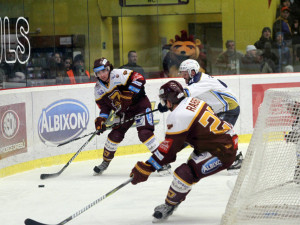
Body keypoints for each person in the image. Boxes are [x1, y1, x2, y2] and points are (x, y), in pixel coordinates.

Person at [129, 80, 238, 222]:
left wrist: (148, 167)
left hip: (222, 152)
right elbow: (179, 143)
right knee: (189, 171)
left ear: (169, 101)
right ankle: (176, 199)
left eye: (165, 101)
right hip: (220, 142)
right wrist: (157, 158)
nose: (165, 104)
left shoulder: (178, 115)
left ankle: (170, 204)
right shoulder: (193, 101)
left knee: (185, 173)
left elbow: (169, 152)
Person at [93, 57, 170, 175]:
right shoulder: (98, 89)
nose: (102, 74)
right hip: (123, 111)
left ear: (109, 69)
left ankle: (162, 161)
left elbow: (139, 78)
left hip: (140, 105)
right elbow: (105, 107)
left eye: (104, 71)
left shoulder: (119, 74)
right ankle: (105, 162)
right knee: (114, 136)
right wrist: (101, 119)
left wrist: (130, 92)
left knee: (145, 133)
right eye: (99, 72)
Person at [178, 59, 242, 172]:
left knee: (218, 135)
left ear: (192, 72)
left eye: (185, 73)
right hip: (219, 110)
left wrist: (166, 100)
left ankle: (236, 158)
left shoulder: (201, 81)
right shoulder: (197, 81)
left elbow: (184, 94)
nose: (183, 76)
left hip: (229, 108)